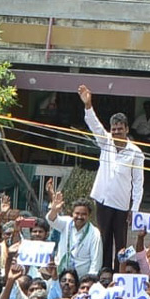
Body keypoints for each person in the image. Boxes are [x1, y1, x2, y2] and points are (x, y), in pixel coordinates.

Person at [77, 84, 144, 270]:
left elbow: (138, 184)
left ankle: (118, 273)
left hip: (122, 204)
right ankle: (104, 272)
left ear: (127, 129)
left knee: (120, 243)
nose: (116, 133)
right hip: (103, 200)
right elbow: (94, 125)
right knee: (103, 239)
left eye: (119, 129)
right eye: (113, 129)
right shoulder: (105, 141)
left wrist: (135, 209)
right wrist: (88, 104)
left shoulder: (136, 153)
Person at [46, 193, 103, 277]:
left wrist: (89, 282)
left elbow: (96, 262)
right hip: (60, 275)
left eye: (83, 214)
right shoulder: (66, 223)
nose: (79, 217)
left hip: (81, 280)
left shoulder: (94, 233)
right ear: (72, 213)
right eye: (77, 213)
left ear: (89, 215)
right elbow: (51, 220)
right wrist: (54, 210)